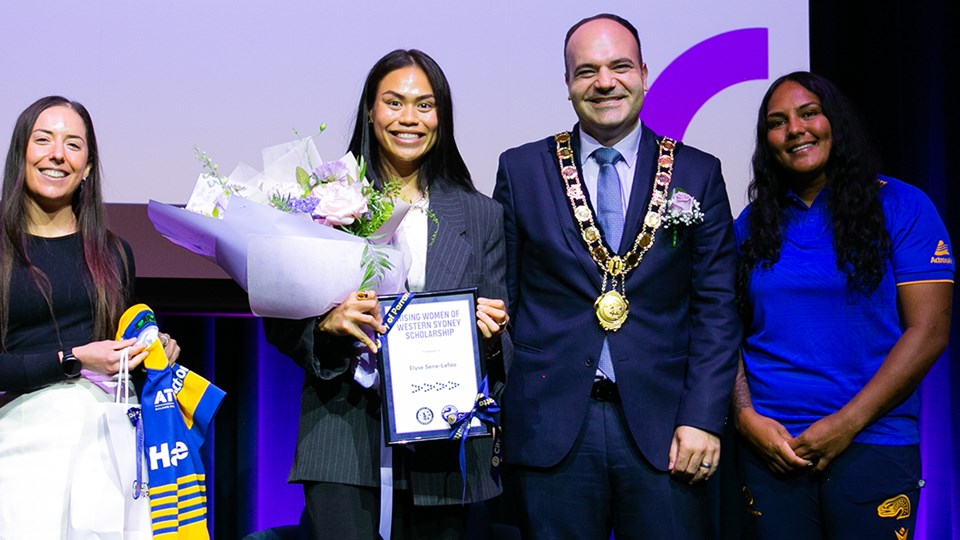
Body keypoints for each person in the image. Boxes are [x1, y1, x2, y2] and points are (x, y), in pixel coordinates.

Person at [493, 13, 740, 538]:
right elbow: (504, 300)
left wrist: (702, 417)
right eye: (586, 71)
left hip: (668, 430)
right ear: (567, 85)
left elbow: (718, 309)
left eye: (619, 66)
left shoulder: (698, 172)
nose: (604, 82)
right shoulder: (522, 169)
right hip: (550, 430)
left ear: (645, 74)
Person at [263, 49, 510, 540]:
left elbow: (501, 338)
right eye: (393, 103)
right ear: (370, 111)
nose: (408, 119)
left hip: (442, 445)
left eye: (424, 104)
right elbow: (282, 321)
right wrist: (327, 326)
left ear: (442, 116)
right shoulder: (326, 199)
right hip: (341, 437)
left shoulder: (480, 214)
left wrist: (488, 332)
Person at [732, 72, 953, 539]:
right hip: (774, 451)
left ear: (836, 121)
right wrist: (745, 417)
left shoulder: (903, 206)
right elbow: (722, 331)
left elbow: (930, 331)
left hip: (873, 442)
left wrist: (845, 423)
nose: (795, 129)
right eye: (777, 122)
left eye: (809, 113)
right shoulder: (751, 225)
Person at [0, 96, 180, 536]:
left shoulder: (115, 254)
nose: (57, 154)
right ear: (22, 152)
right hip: (21, 443)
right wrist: (73, 358)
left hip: (107, 446)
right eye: (43, 140)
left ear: (88, 168)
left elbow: (116, 354)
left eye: (73, 144)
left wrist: (152, 354)